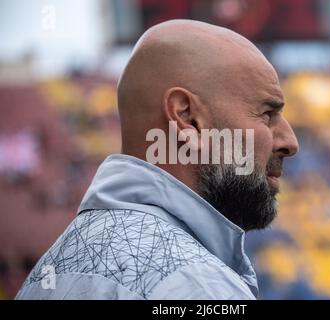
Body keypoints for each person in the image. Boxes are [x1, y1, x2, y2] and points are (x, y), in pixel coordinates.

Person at [16, 19, 298, 300]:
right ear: (187, 118)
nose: (291, 142)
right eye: (267, 114)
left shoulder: (47, 273)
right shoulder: (196, 287)